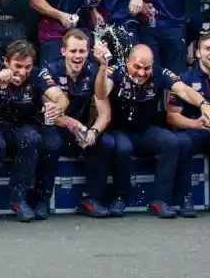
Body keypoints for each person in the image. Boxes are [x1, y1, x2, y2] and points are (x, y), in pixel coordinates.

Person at [95, 44, 210, 218]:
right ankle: (120, 198)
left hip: (144, 130)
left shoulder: (159, 73)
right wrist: (103, 67)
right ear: (127, 62)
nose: (141, 73)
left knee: (171, 142)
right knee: (124, 148)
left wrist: (204, 104)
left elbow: (184, 90)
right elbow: (101, 93)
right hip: (118, 130)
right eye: (137, 67)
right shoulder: (116, 71)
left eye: (146, 68)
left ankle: (160, 201)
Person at [0, 40, 69, 222]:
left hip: (20, 125)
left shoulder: (38, 73)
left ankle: (18, 199)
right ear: (6, 61)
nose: (23, 72)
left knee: (32, 139)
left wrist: (59, 107)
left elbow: (60, 96)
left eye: (27, 67)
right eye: (17, 66)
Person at [37, 30, 114, 219]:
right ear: (63, 51)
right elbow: (50, 114)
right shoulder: (49, 70)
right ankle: (42, 199)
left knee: (106, 143)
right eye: (73, 51)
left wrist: (93, 132)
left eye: (82, 51)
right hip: (55, 127)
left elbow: (105, 112)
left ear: (88, 52)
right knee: (51, 144)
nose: (77, 56)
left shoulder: (93, 70)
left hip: (82, 130)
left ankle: (90, 199)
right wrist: (72, 124)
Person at [166, 32, 210, 217]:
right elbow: (172, 117)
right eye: (207, 49)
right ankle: (184, 198)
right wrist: (196, 124)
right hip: (194, 131)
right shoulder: (184, 79)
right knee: (181, 143)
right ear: (198, 53)